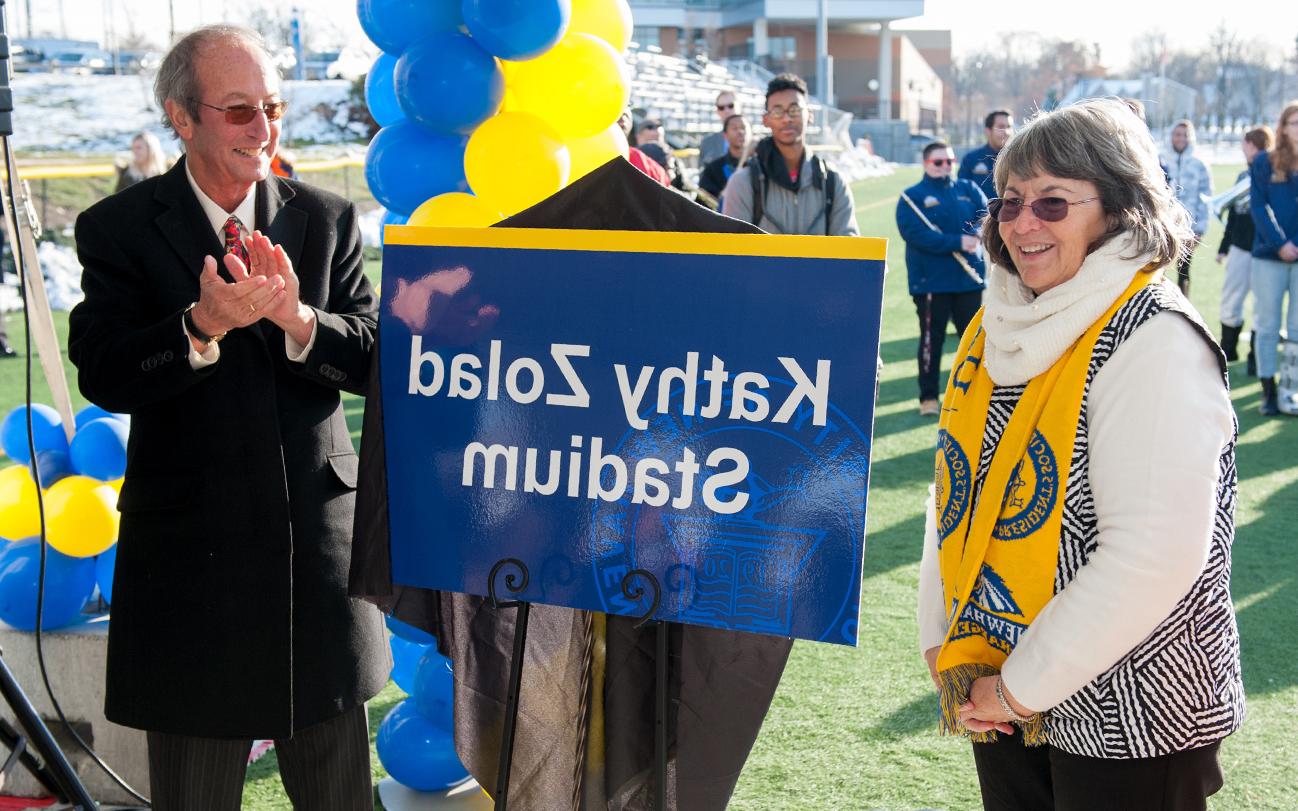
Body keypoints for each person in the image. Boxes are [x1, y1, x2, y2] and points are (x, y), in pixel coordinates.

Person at [68, 25, 388, 809]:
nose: (264, 128)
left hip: (315, 575)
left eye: (271, 107)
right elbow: (103, 369)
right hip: (189, 580)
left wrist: (300, 320)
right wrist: (196, 328)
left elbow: (378, 356)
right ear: (182, 117)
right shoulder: (117, 228)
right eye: (240, 109)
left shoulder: (328, 217)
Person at [918, 98, 1242, 811]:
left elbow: (1149, 556)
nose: (1023, 221)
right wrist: (943, 645)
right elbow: (957, 491)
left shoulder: (1155, 338)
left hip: (1133, 715)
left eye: (1053, 201)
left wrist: (1014, 687)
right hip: (1001, 692)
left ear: (1120, 207)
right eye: (1010, 201)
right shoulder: (998, 322)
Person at [896, 141, 987, 416]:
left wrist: (981, 233)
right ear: (926, 164)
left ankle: (972, 396)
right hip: (931, 283)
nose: (946, 166)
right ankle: (929, 398)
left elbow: (986, 217)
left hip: (968, 279)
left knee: (972, 343)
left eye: (949, 161)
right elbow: (917, 236)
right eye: (939, 162)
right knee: (931, 342)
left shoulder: (968, 189)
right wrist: (957, 241)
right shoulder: (912, 196)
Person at [721, 73, 858, 237]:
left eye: (794, 110)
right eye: (778, 111)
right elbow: (733, 254)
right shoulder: (743, 183)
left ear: (810, 115)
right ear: (766, 120)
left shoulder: (833, 183)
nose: (787, 118)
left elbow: (849, 252)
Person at [1250, 101, 1298, 416]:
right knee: (1267, 326)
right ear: (1282, 128)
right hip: (1269, 256)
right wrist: (1281, 243)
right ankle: (1268, 391)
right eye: (1293, 123)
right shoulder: (1264, 163)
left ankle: (1289, 392)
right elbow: (1258, 207)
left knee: (1295, 329)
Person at [1216, 126, 1272, 367]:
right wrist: (1223, 247)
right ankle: (1228, 349)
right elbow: (1235, 218)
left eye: (1245, 144)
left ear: (1254, 145)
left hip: (1264, 249)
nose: (1242, 148)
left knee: (1263, 303)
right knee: (1231, 299)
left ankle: (1254, 356)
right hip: (1239, 245)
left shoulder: (1273, 172)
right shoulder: (1242, 177)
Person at [1166, 119, 1213, 295]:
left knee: (1184, 271)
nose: (1181, 138)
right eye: (1178, 134)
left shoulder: (1199, 164)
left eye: (1185, 135)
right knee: (1158, 269)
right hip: (1164, 226)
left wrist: (1200, 229)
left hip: (1188, 228)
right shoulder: (1161, 160)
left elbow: (1206, 197)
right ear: (1172, 136)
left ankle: (1184, 307)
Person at [959, 110, 1013, 202]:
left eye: (1009, 127)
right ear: (988, 131)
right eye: (1001, 127)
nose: (1007, 132)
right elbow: (963, 194)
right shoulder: (971, 159)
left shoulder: (1020, 159)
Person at [697, 113, 748, 208]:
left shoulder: (762, 165)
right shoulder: (713, 169)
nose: (740, 132)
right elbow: (703, 205)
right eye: (734, 128)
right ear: (725, 136)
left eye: (744, 128)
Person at [616, 109, 671, 187]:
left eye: (628, 105)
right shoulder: (637, 157)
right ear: (638, 135)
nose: (655, 130)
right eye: (650, 127)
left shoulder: (653, 165)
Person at [698, 89, 739, 166]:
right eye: (721, 107)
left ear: (739, 107)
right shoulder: (707, 143)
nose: (726, 110)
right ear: (717, 111)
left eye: (731, 106)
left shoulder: (755, 142)